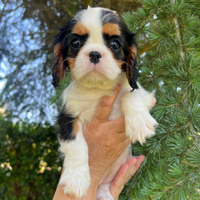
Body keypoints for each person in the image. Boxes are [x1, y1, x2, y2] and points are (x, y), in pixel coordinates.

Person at [53, 84, 145, 200]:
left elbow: (141, 97)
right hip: (93, 176)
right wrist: (89, 170)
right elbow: (67, 124)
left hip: (113, 177)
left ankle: (103, 188)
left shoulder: (127, 87)